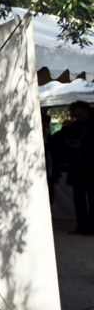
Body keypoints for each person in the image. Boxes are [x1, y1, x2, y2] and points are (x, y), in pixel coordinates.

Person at [61, 99, 93, 235]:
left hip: (90, 167)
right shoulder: (75, 126)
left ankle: (91, 227)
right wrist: (66, 133)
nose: (78, 117)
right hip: (78, 168)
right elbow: (62, 139)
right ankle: (82, 225)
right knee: (79, 200)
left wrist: (83, 145)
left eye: (80, 114)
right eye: (76, 115)